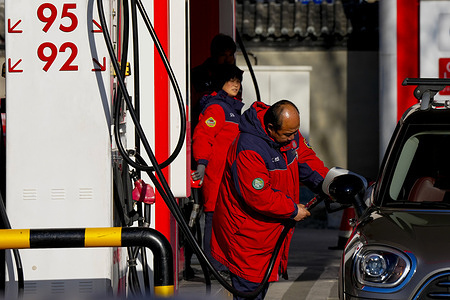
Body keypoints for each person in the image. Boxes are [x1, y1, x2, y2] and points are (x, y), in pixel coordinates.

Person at [211, 100, 329, 299]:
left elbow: (306, 160)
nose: (293, 138)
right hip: (246, 236)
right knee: (250, 290)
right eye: (288, 134)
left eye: (295, 132)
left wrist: (326, 183)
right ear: (270, 128)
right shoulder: (249, 149)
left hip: (268, 233)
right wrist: (292, 210)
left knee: (261, 286)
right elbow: (258, 195)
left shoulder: (288, 132)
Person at [191, 64, 245, 276]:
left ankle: (222, 263)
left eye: (237, 81)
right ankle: (213, 265)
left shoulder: (232, 108)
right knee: (213, 218)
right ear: (220, 82)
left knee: (225, 218)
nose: (235, 84)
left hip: (229, 174)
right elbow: (203, 136)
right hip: (216, 173)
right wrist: (202, 164)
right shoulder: (217, 108)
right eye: (230, 80)